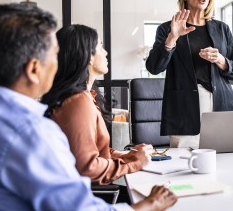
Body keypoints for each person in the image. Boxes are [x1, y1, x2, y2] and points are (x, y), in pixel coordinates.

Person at [0, 3, 177, 210]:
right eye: (54, 55)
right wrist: (150, 204)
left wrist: (126, 156)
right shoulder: (31, 133)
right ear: (34, 69)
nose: (59, 62)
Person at [40, 25, 153, 188]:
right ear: (89, 57)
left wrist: (128, 155)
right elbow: (87, 168)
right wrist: (134, 164)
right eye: (101, 46)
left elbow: (95, 150)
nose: (106, 52)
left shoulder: (85, 96)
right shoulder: (78, 102)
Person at [145, 0, 233, 148]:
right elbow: (154, 67)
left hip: (221, 104)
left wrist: (220, 60)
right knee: (183, 167)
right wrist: (171, 39)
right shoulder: (167, 28)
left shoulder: (222, 29)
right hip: (184, 109)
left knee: (226, 163)